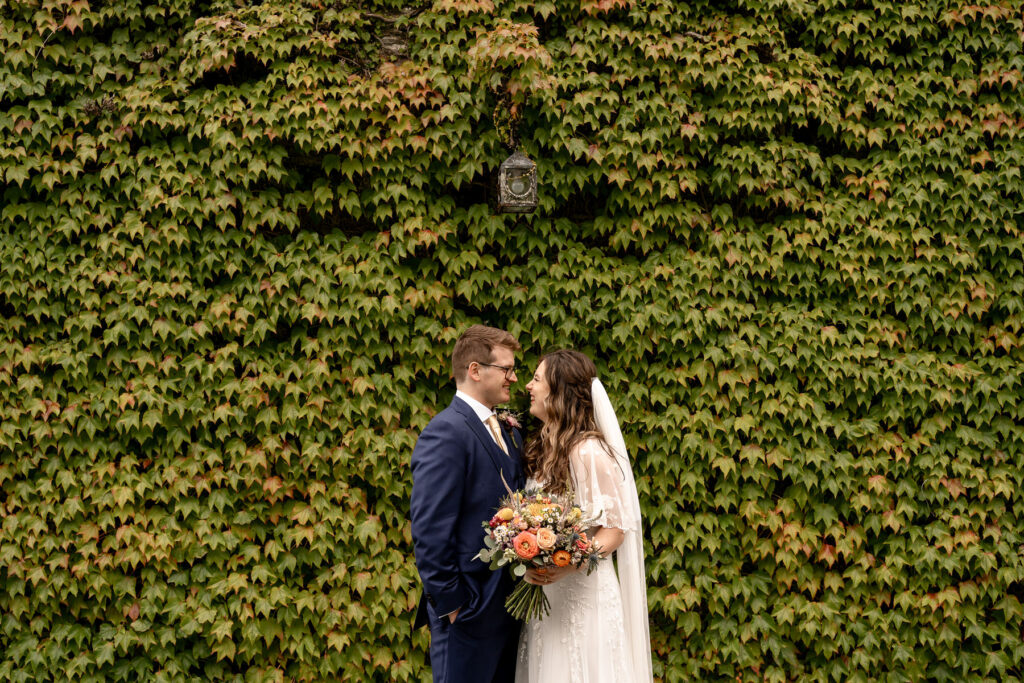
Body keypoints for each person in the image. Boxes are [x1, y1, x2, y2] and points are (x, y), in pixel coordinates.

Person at [516, 349, 653, 683]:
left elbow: (616, 530)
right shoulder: (544, 448)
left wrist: (568, 563)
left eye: (536, 379)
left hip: (583, 596)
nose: (528, 387)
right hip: (550, 598)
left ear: (559, 392)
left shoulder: (588, 452)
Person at [411, 324, 526, 683]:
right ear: (475, 370)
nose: (514, 377)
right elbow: (430, 529)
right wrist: (455, 606)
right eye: (506, 369)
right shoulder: (446, 430)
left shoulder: (509, 428)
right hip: (468, 615)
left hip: (508, 610)